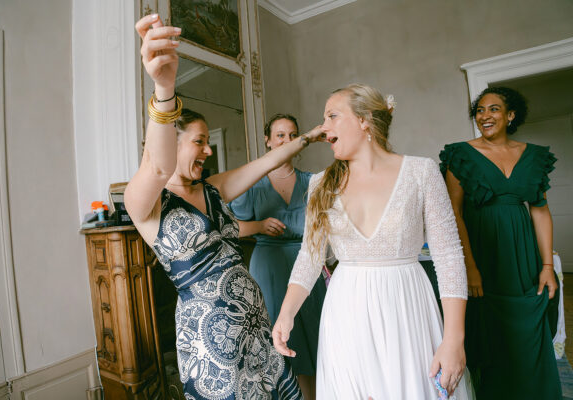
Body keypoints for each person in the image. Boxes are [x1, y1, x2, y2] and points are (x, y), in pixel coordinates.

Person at [125, 14, 325, 399]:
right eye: (199, 141)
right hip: (211, 340)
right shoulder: (144, 204)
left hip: (254, 325)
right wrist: (165, 86)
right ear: (175, 140)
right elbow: (157, 166)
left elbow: (265, 163)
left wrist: (310, 137)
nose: (208, 149)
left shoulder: (213, 189)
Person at [272, 84, 474, 399]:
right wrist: (286, 313)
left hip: (407, 307)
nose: (323, 128)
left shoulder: (421, 173)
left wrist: (453, 340)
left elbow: (449, 256)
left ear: (365, 119)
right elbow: (310, 258)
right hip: (345, 310)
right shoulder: (320, 184)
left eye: (332, 116)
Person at [440, 86, 561, 399]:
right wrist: (469, 265)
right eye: (480, 110)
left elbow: (540, 211)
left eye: (493, 109)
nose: (485, 116)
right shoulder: (459, 154)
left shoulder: (533, 155)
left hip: (524, 256)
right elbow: (454, 212)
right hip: (483, 252)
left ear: (510, 115)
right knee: (492, 336)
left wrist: (547, 265)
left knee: (529, 330)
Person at [229, 114, 327, 400]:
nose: (287, 141)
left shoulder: (313, 182)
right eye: (280, 135)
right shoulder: (252, 184)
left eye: (293, 135)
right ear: (268, 140)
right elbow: (230, 228)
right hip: (267, 268)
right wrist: (259, 226)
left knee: (313, 339)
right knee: (275, 340)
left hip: (306, 266)